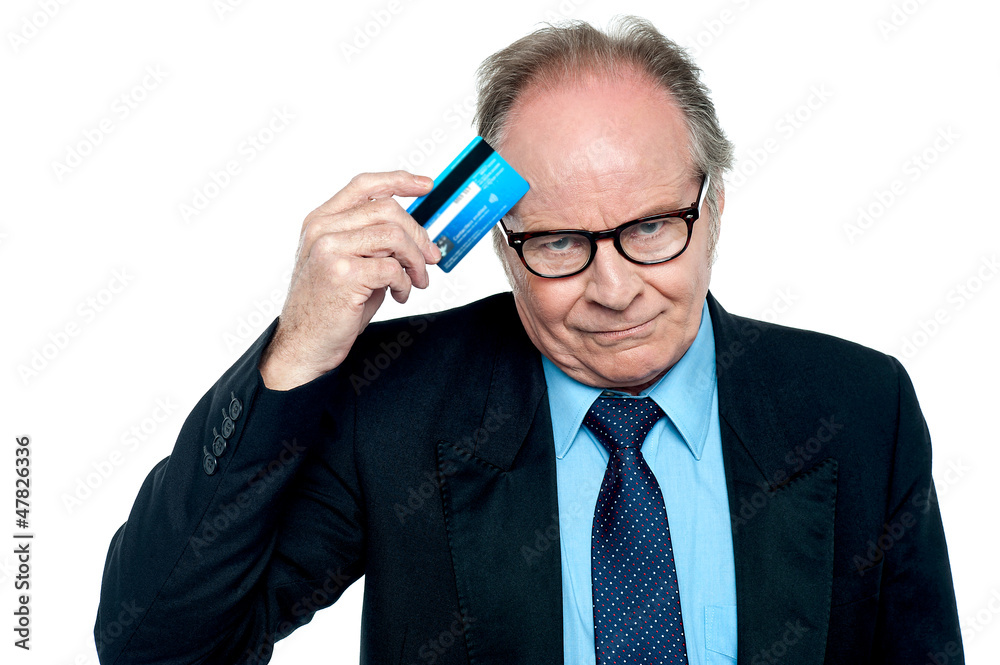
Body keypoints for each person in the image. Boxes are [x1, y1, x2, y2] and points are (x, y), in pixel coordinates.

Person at [95, 15, 964, 665]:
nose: (614, 289)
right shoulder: (396, 404)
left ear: (715, 208)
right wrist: (298, 353)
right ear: (499, 244)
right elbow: (158, 644)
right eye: (559, 243)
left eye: (653, 227)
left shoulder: (857, 406)